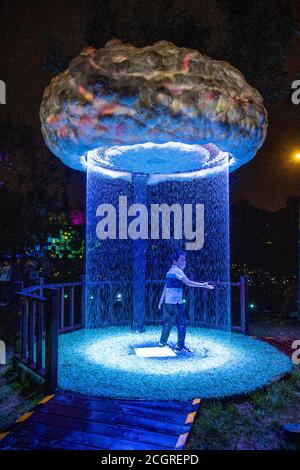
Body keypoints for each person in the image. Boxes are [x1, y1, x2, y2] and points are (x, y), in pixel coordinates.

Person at [158, 250, 214, 353]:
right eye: (182, 260)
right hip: (177, 303)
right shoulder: (178, 271)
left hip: (168, 302)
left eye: (185, 259)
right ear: (175, 261)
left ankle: (162, 342)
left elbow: (166, 287)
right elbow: (188, 283)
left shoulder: (169, 271)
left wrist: (161, 301)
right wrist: (203, 285)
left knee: (168, 323)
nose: (184, 262)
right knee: (182, 323)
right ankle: (180, 346)